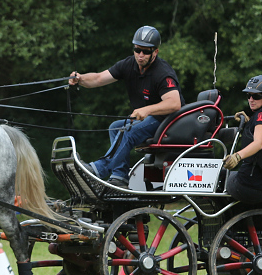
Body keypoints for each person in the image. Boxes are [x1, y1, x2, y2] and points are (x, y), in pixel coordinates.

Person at [69, 26, 184, 188]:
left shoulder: (162, 72)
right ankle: (119, 176)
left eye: (146, 51)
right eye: (137, 50)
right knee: (115, 127)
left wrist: (146, 109)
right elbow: (99, 78)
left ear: (155, 52)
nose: (140, 55)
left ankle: (98, 170)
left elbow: (174, 103)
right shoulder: (129, 64)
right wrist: (80, 79)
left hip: (168, 120)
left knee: (128, 131)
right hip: (152, 118)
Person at [222, 75, 262, 203]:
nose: (251, 99)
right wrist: (249, 123)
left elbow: (259, 143)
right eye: (248, 96)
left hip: (253, 184)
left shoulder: (261, 116)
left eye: (256, 96)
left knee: (221, 177)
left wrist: (237, 156)